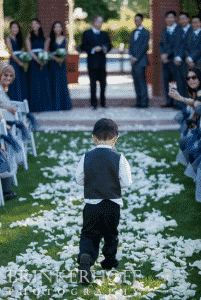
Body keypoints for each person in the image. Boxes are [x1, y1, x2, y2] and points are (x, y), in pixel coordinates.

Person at [75, 118, 132, 285]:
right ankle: (109, 261)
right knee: (110, 234)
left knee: (89, 234)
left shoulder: (86, 157)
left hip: (92, 205)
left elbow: (78, 180)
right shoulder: (120, 158)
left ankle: (86, 256)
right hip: (112, 205)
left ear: (94, 138)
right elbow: (127, 183)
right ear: (116, 138)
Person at [81, 16, 112, 109]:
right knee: (93, 85)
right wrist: (93, 49)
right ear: (94, 22)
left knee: (103, 84)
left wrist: (105, 49)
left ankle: (103, 102)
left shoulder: (104, 34)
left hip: (102, 63)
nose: (101, 24)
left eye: (102, 22)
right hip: (92, 63)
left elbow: (109, 45)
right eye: (99, 22)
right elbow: (83, 46)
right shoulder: (86, 33)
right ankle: (93, 103)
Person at [26, 18, 54, 112]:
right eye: (32, 24)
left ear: (39, 25)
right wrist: (37, 60)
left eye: (36, 24)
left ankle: (45, 105)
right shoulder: (29, 36)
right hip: (34, 62)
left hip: (43, 61)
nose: (34, 25)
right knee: (35, 83)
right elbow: (29, 51)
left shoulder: (44, 37)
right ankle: (35, 106)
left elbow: (46, 49)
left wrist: (44, 59)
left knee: (44, 82)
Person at [45, 21, 72, 111]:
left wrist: (62, 58)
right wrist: (55, 58)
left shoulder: (65, 39)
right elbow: (46, 51)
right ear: (53, 29)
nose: (57, 29)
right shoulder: (49, 39)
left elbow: (66, 51)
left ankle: (63, 104)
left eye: (59, 27)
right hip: (52, 64)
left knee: (62, 82)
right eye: (56, 27)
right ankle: (54, 105)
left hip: (62, 64)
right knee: (53, 82)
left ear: (61, 28)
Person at [159, 11, 182, 108]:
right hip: (165, 61)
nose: (169, 19)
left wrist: (167, 55)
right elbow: (161, 44)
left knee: (175, 81)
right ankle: (169, 101)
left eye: (171, 17)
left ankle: (176, 102)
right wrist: (162, 55)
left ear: (175, 18)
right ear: (165, 19)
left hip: (173, 59)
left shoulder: (179, 30)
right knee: (167, 81)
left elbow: (176, 45)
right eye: (168, 17)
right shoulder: (164, 30)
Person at [129, 13, 149, 108]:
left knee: (142, 82)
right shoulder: (133, 32)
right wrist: (131, 56)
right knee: (136, 82)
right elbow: (131, 46)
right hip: (133, 62)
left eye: (138, 20)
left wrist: (135, 58)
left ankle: (144, 102)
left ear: (141, 20)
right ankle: (138, 102)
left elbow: (144, 47)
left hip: (141, 61)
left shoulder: (146, 32)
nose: (136, 22)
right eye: (135, 20)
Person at [174, 12, 193, 110]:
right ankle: (181, 104)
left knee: (189, 84)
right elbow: (176, 45)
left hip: (188, 62)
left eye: (184, 19)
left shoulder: (192, 30)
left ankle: (189, 104)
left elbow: (189, 47)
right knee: (180, 84)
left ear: (188, 19)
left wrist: (181, 57)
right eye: (180, 19)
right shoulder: (178, 30)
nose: (182, 21)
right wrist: (176, 57)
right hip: (179, 63)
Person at [6, 21, 28, 102]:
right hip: (14, 61)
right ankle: (15, 101)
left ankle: (23, 101)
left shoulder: (20, 38)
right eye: (13, 27)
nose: (15, 29)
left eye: (16, 27)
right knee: (15, 80)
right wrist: (19, 63)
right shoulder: (8, 38)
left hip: (21, 60)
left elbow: (22, 50)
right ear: (10, 28)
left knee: (22, 80)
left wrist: (24, 60)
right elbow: (11, 52)